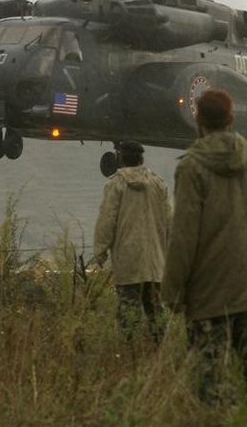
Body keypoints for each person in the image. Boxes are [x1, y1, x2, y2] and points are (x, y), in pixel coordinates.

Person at [162, 89, 247, 415]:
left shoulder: (191, 166)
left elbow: (184, 236)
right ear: (231, 119)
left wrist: (173, 291)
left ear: (198, 120)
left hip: (207, 296)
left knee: (208, 382)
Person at [91, 140, 172, 343]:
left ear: (120, 160)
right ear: (142, 159)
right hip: (155, 262)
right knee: (155, 309)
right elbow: (170, 223)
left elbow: (107, 220)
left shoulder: (115, 185)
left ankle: (131, 349)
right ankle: (158, 350)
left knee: (129, 309)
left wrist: (100, 251)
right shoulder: (158, 184)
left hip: (127, 262)